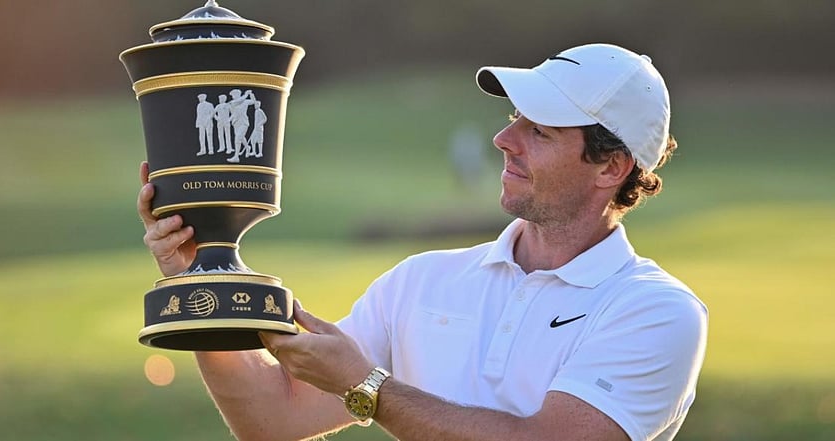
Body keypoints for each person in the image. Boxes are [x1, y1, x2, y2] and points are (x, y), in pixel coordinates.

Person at [137, 43, 708, 441]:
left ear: (611, 166)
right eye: (515, 118)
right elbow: (273, 418)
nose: (503, 139)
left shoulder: (655, 311)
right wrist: (198, 280)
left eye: (539, 130)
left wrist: (367, 386)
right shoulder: (421, 281)